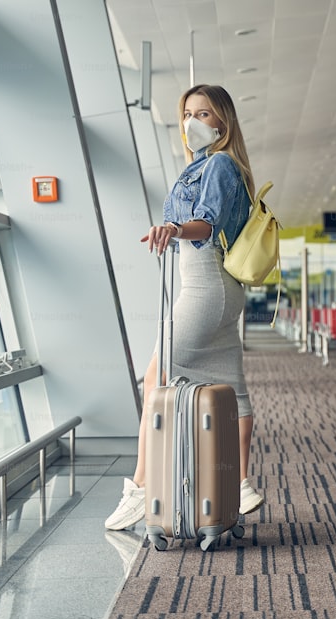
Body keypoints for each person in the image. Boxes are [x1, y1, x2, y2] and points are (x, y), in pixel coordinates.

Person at [105, 84, 263, 530]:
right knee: (232, 384)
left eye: (205, 114)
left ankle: (140, 487)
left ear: (223, 122)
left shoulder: (217, 164)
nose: (193, 122)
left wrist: (174, 228)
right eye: (188, 113)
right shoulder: (217, 166)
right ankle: (242, 483)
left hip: (205, 285)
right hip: (221, 288)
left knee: (156, 380)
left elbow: (207, 224)